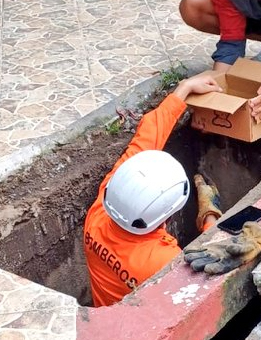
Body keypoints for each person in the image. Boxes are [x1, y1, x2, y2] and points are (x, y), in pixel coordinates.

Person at [84, 76, 225, 307]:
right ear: (167, 215)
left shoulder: (99, 212)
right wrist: (210, 218)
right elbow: (206, 282)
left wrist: (185, 89)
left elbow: (146, 138)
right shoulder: (163, 261)